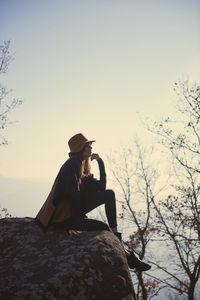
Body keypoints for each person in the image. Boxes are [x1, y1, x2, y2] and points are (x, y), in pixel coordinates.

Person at [35, 133, 151, 271]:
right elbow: (71, 195)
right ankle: (128, 257)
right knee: (103, 227)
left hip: (75, 210)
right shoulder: (70, 166)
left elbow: (102, 188)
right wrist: (81, 214)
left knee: (109, 194)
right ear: (80, 148)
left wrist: (100, 162)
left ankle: (117, 237)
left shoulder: (81, 166)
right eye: (88, 145)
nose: (91, 148)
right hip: (63, 218)